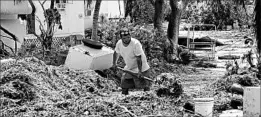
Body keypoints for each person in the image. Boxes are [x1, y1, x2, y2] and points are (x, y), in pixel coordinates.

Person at [112, 28, 151, 95]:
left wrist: (140, 71)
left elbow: (139, 58)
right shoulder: (119, 43)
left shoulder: (135, 43)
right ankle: (124, 97)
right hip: (130, 67)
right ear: (121, 38)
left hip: (141, 67)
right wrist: (114, 63)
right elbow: (116, 52)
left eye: (128, 37)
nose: (127, 39)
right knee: (124, 84)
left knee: (145, 86)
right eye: (124, 38)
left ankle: (148, 98)